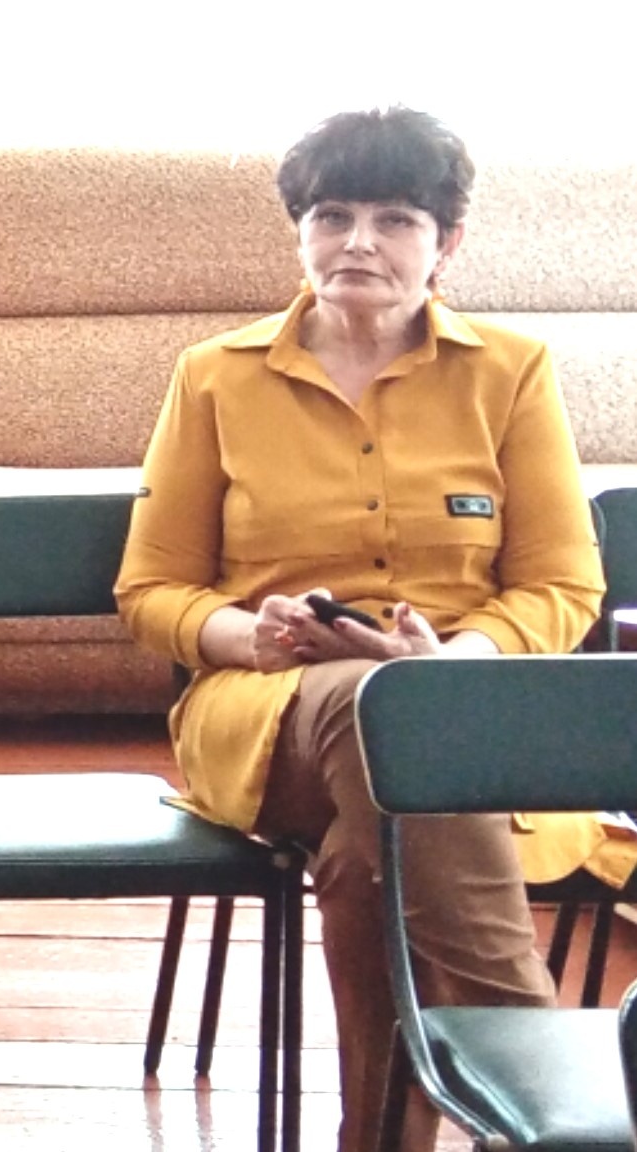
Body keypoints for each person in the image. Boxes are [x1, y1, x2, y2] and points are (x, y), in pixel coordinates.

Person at [114, 106, 603, 1152]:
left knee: (365, 857)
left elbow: (564, 584)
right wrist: (244, 633)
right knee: (374, 708)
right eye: (332, 215)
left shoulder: (511, 371)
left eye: (396, 219)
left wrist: (454, 660)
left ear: (447, 243)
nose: (359, 243)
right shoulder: (216, 373)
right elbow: (149, 588)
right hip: (266, 708)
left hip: (463, 709)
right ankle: (550, 1100)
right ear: (300, 231)